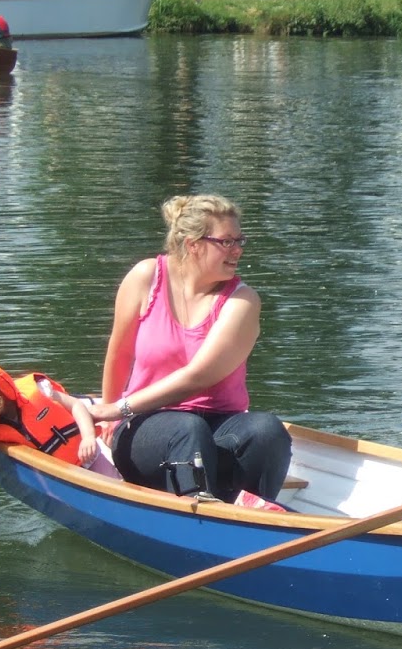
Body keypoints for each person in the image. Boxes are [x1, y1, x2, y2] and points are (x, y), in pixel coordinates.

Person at [89, 195, 292, 504]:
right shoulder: (145, 278)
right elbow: (119, 353)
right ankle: (198, 513)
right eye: (226, 242)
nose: (237, 250)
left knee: (267, 431)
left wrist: (118, 408)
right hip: (146, 425)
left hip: (218, 425)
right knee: (188, 429)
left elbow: (198, 376)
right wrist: (109, 415)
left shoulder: (243, 301)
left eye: (240, 241)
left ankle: (251, 514)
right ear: (194, 243)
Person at [0, 349, 100, 538]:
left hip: (92, 451)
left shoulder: (39, 391)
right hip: (71, 474)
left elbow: (77, 406)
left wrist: (88, 437)